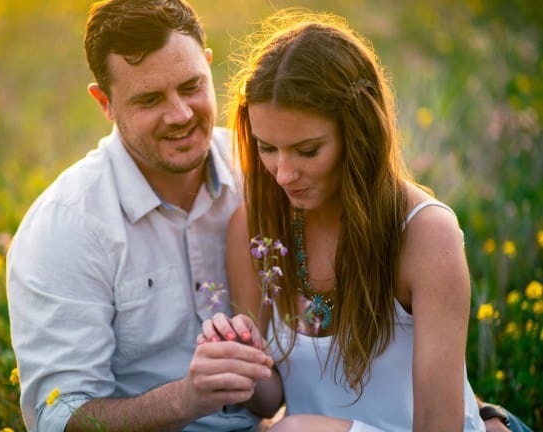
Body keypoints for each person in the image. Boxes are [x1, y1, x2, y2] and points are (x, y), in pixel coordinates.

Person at [198, 9, 532, 432]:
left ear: (357, 136)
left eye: (307, 151)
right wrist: (239, 356)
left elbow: (438, 423)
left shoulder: (424, 233)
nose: (282, 174)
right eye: (267, 148)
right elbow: (271, 400)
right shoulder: (253, 226)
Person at [5, 1, 274, 431]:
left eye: (191, 86)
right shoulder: (65, 227)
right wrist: (185, 400)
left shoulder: (264, 170)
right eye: (150, 99)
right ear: (104, 103)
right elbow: (57, 417)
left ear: (207, 65)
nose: (181, 115)